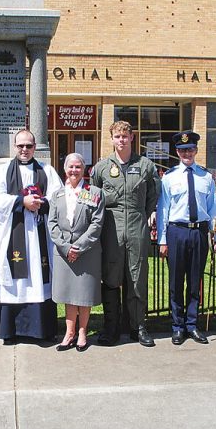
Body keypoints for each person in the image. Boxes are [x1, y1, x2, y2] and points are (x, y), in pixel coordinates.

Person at [0, 130, 63, 344]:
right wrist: (22, 202)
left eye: (29, 146)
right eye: (20, 146)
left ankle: (40, 330)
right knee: (13, 278)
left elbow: (58, 196)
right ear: (14, 147)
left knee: (39, 274)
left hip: (39, 234)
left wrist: (41, 203)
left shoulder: (47, 170)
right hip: (13, 232)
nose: (24, 150)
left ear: (35, 147)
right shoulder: (2, 171)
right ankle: (10, 331)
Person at [90, 120, 160, 347]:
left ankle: (137, 327)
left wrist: (144, 216)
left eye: (125, 136)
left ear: (132, 138)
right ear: (111, 139)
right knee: (110, 278)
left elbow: (153, 196)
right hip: (111, 229)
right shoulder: (101, 168)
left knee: (137, 277)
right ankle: (111, 327)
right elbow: (94, 198)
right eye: (117, 136)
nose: (121, 140)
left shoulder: (146, 165)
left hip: (137, 227)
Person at [156, 131, 216, 345]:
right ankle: (177, 326)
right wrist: (163, 239)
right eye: (183, 150)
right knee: (176, 281)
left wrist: (215, 235)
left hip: (199, 232)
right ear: (177, 152)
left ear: (196, 150)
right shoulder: (170, 177)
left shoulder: (206, 176)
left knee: (195, 281)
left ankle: (192, 325)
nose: (187, 153)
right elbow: (163, 209)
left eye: (190, 149)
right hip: (177, 231)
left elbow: (213, 208)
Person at [48, 153, 105, 352]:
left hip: (87, 253)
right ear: (65, 169)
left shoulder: (94, 192)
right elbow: (52, 223)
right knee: (68, 294)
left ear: (84, 169)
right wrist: (65, 247)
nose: (74, 171)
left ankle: (82, 332)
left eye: (78, 167)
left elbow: (97, 224)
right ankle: (69, 333)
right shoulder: (57, 194)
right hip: (64, 254)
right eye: (70, 167)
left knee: (83, 294)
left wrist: (78, 247)